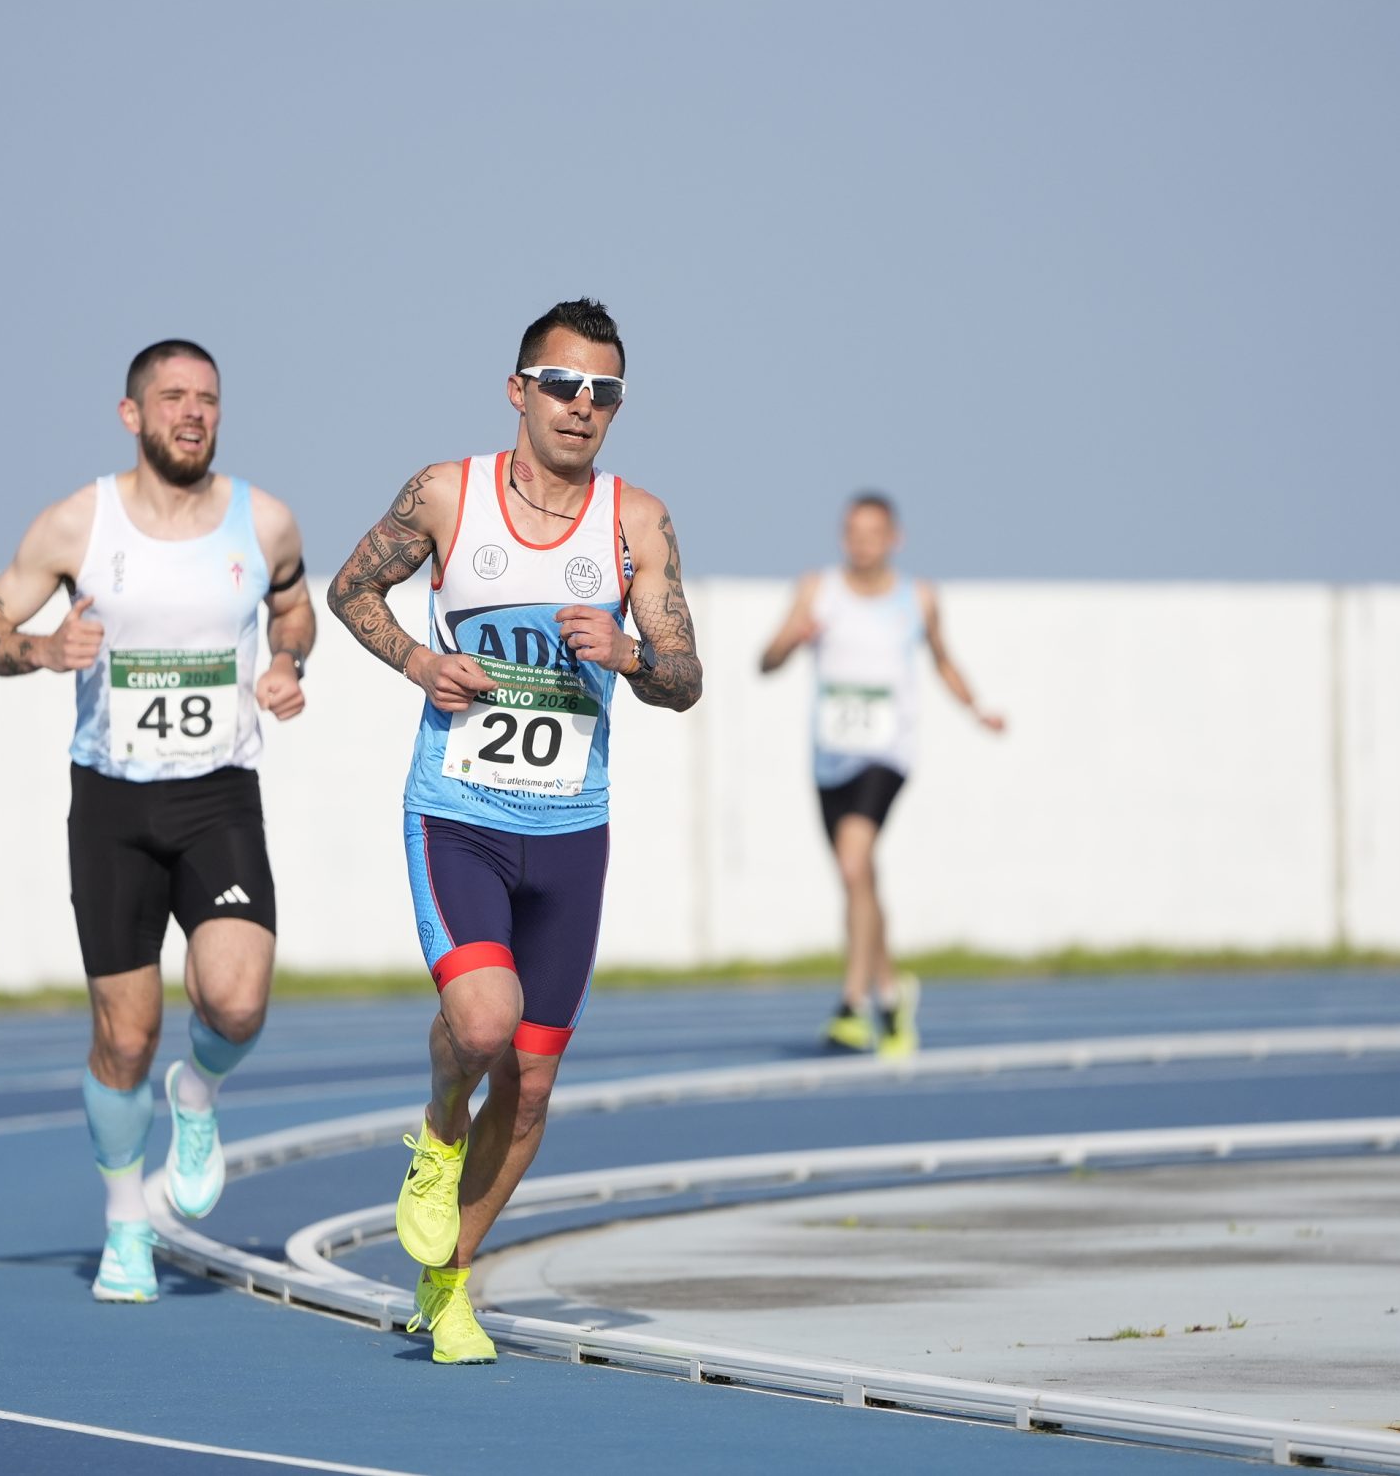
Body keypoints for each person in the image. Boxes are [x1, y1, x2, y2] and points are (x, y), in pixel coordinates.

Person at [327, 298, 702, 1365]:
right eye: (563, 384)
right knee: (482, 1023)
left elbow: (685, 676)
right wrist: (418, 660)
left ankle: (447, 1285)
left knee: (533, 1087)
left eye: (604, 392)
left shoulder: (636, 522)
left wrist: (632, 656)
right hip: (461, 815)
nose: (582, 406)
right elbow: (352, 588)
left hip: (572, 833)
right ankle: (439, 1129)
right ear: (518, 389)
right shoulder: (449, 495)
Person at [0, 339, 314, 1305]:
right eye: (172, 397)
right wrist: (40, 648)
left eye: (207, 398)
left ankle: (196, 1092)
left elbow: (294, 607)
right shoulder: (78, 523)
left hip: (218, 792)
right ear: (133, 414)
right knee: (125, 1036)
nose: (192, 413)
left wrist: (288, 661)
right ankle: (126, 1223)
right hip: (113, 802)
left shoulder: (264, 520)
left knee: (236, 1002)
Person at [758, 493, 1003, 1057]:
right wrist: (792, 640)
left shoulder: (918, 597)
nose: (862, 543)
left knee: (853, 863)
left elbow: (942, 658)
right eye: (853, 532)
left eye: (873, 533)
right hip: (830, 758)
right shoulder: (818, 590)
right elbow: (766, 661)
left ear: (895, 539)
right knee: (858, 878)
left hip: (887, 754)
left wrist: (977, 709)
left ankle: (853, 1005)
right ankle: (891, 995)